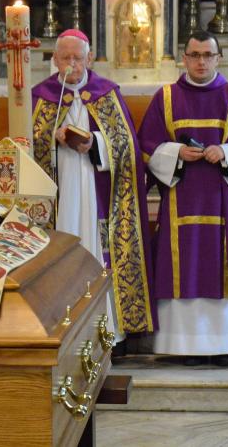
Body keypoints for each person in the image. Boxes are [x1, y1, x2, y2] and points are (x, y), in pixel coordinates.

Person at [138, 30, 228, 367]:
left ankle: (225, 344)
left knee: (224, 263)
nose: (201, 62)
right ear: (184, 58)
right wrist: (176, 152)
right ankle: (186, 346)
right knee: (184, 265)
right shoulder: (166, 97)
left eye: (208, 55)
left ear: (218, 58)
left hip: (226, 198)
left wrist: (225, 151)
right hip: (180, 198)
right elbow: (145, 148)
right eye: (195, 55)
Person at [32, 29, 154, 338]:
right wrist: (52, 138)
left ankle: (111, 332)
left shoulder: (106, 94)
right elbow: (27, 147)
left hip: (98, 192)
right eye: (65, 58)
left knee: (99, 251)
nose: (71, 64)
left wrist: (96, 143)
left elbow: (127, 147)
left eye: (77, 58)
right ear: (55, 59)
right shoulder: (40, 96)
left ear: (89, 59)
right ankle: (56, 329)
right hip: (59, 193)